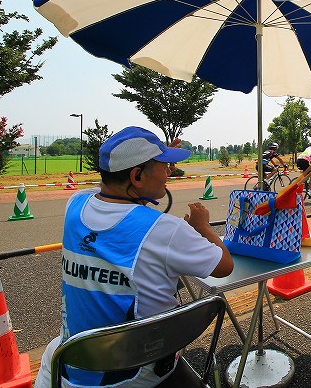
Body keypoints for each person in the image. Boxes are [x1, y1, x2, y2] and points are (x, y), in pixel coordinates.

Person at [35, 126, 234, 388]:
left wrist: (158, 162)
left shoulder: (75, 205)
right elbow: (224, 267)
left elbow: (107, 186)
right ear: (137, 175)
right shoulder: (163, 229)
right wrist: (203, 228)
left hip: (70, 364)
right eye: (163, 166)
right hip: (135, 372)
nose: (169, 172)